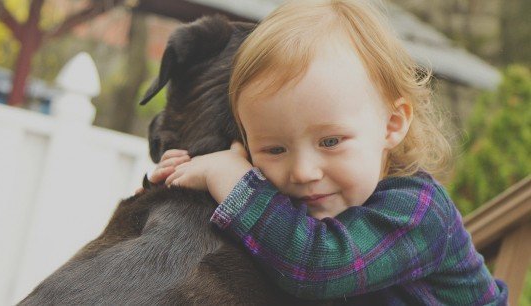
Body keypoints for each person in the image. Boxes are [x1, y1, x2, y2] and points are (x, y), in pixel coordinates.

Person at [147, 0, 508, 304]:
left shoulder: (420, 212)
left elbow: (316, 265)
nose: (303, 171)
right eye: (274, 148)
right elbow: (254, 237)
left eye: (330, 142)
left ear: (392, 124)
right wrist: (173, 185)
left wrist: (228, 178)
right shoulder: (307, 198)